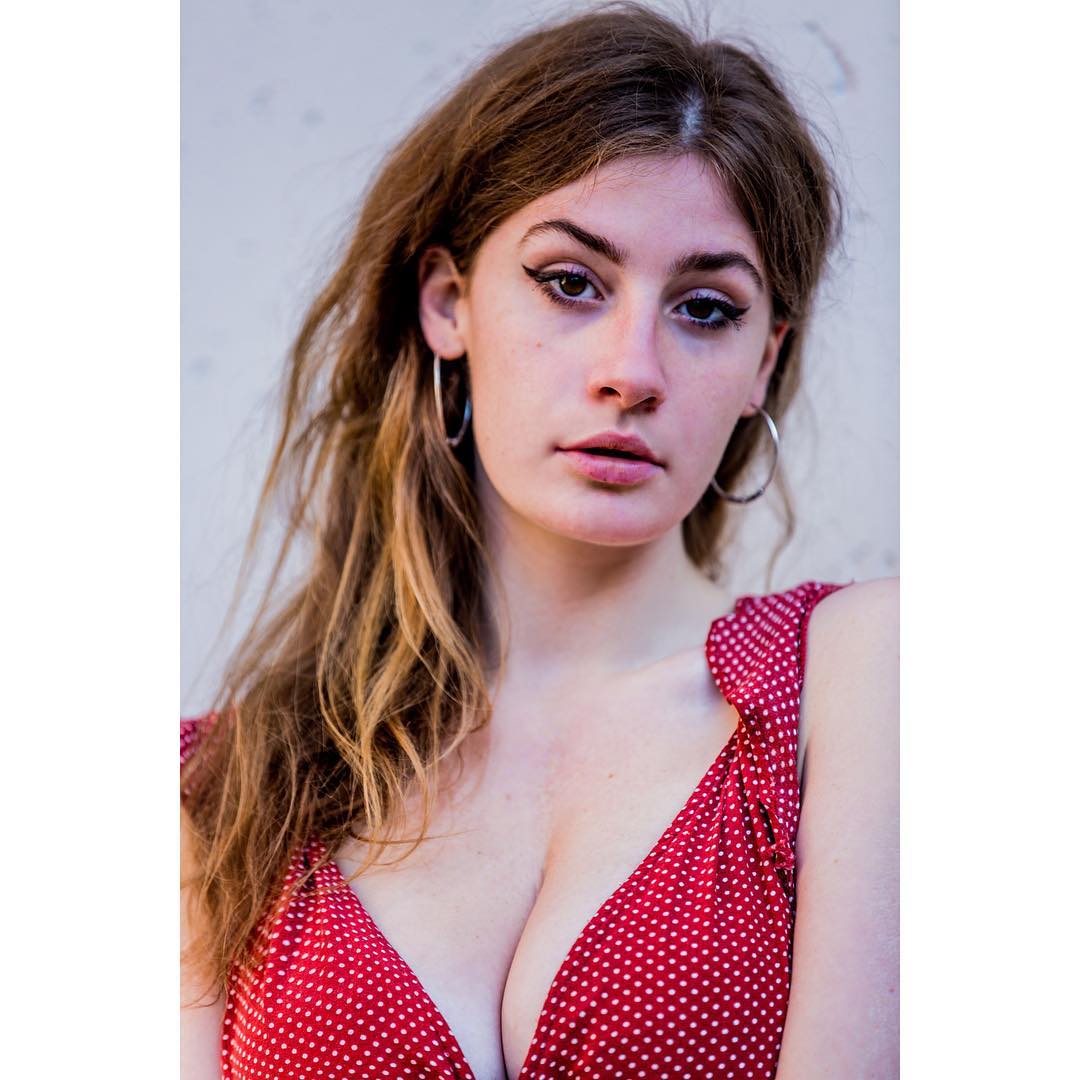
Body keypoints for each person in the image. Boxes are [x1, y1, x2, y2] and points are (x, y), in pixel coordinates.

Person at [180, 3, 899, 1077]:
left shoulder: (860, 681)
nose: (632, 371)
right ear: (447, 304)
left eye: (706, 308)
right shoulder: (222, 795)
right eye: (571, 284)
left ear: (764, 362)